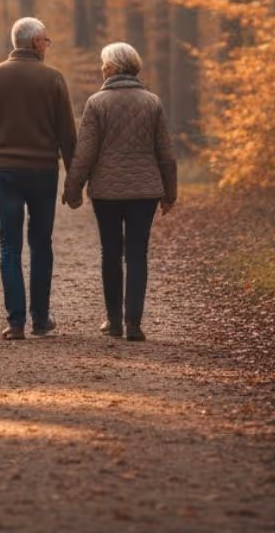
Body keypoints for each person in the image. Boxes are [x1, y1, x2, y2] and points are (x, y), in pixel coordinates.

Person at [0, 17, 77, 340]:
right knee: (41, 244)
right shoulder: (53, 79)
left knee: (9, 246)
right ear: (35, 43)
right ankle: (41, 320)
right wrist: (73, 181)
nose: (47, 45)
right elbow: (67, 135)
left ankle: (16, 322)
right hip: (43, 172)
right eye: (46, 40)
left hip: (5, 172)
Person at [63, 41, 177, 342]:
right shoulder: (152, 102)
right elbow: (166, 153)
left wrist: (73, 189)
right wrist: (170, 193)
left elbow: (85, 153)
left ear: (113, 67)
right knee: (137, 254)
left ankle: (114, 322)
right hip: (145, 191)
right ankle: (134, 324)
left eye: (104, 63)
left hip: (107, 192)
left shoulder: (96, 103)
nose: (102, 68)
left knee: (111, 253)